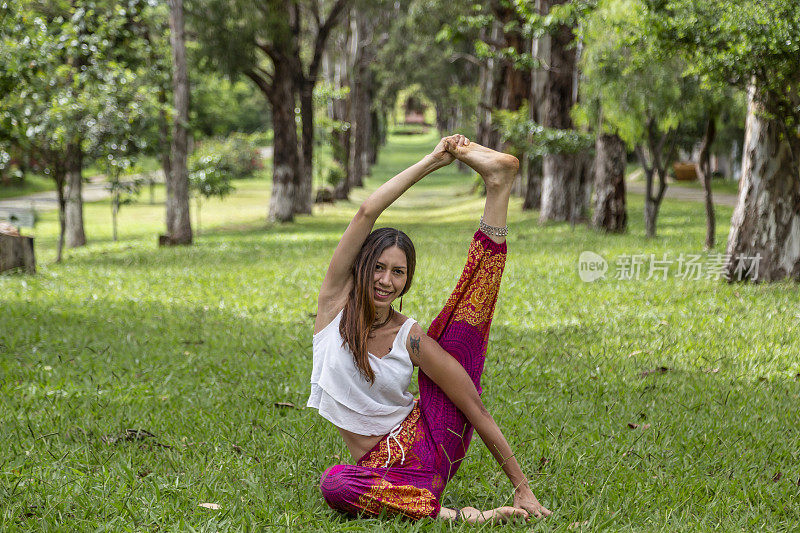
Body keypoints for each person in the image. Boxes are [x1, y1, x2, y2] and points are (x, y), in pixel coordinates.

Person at [308, 134, 552, 523]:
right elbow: (366, 213)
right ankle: (463, 517)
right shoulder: (333, 308)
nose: (387, 280)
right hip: (381, 473)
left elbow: (473, 406)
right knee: (336, 483)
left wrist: (522, 486)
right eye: (379, 267)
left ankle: (498, 185)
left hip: (431, 445)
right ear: (361, 267)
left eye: (399, 272)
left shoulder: (410, 337)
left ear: (407, 280)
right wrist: (432, 161)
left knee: (466, 321)